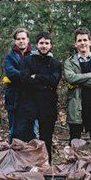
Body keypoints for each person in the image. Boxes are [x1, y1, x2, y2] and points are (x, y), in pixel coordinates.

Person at [16, 31, 63, 162]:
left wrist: (36, 76)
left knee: (46, 138)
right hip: (29, 104)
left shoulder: (56, 63)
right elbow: (25, 79)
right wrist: (44, 81)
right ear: (36, 45)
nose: (44, 46)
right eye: (41, 43)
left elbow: (54, 80)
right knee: (25, 135)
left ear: (51, 45)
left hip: (48, 105)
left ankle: (47, 165)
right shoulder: (27, 60)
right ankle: (25, 164)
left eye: (47, 43)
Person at [63, 27, 91, 156]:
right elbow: (70, 78)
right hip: (76, 107)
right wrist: (90, 75)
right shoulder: (69, 62)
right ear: (75, 43)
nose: (83, 43)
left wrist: (79, 81)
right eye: (79, 40)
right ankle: (72, 169)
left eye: (85, 40)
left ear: (90, 42)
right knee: (74, 141)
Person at [2, 27, 32, 142]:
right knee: (13, 131)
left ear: (28, 40)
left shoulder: (34, 54)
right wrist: (28, 76)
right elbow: (11, 73)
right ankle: (12, 157)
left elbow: (38, 73)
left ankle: (29, 158)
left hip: (30, 98)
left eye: (23, 38)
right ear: (15, 41)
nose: (21, 41)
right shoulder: (9, 56)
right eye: (18, 39)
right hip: (13, 98)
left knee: (31, 131)